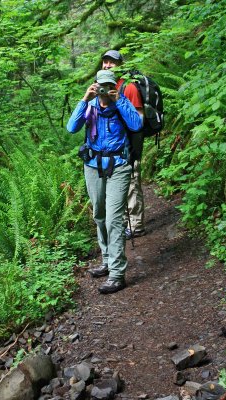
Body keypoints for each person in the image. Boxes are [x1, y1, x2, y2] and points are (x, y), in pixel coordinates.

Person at [66, 69, 142, 294]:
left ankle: (117, 274)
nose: (105, 91)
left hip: (118, 166)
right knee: (99, 214)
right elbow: (72, 128)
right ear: (95, 85)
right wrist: (84, 99)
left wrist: (119, 100)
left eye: (109, 87)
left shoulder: (121, 102)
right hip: (93, 166)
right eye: (101, 86)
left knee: (113, 219)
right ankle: (107, 260)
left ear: (114, 87)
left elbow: (136, 125)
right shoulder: (89, 105)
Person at [102, 50, 146, 238]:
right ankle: (125, 222)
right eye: (105, 61)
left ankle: (136, 226)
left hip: (129, 146)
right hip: (114, 147)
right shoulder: (106, 86)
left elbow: (139, 120)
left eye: (112, 62)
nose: (107, 65)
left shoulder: (128, 87)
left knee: (132, 183)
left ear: (120, 66)